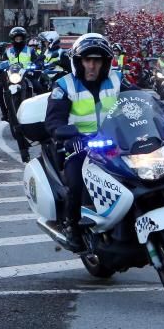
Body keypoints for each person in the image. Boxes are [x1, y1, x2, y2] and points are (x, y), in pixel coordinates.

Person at [45, 34, 129, 253]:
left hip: (116, 145)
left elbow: (141, 100)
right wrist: (67, 134)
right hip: (80, 147)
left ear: (105, 62)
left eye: (97, 60)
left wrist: (163, 115)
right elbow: (54, 121)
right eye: (87, 60)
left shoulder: (117, 79)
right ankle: (72, 227)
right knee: (76, 182)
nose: (92, 65)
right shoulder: (64, 85)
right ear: (78, 62)